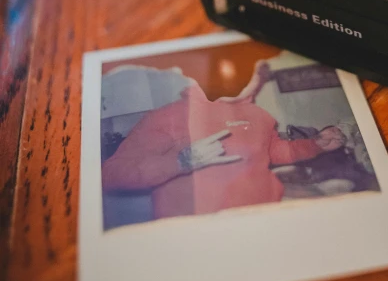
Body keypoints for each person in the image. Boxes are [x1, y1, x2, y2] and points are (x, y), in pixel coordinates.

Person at [102, 60, 345, 219]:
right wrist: (181, 161)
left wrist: (314, 145)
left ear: (259, 80)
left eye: (251, 73)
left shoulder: (258, 115)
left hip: (266, 215)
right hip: (199, 234)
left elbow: (273, 151)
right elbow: (111, 175)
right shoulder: (170, 115)